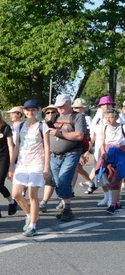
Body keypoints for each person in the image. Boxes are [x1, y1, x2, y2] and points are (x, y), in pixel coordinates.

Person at [9, 99, 51, 237]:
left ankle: (33, 225)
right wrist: (11, 165)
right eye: (27, 110)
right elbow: (16, 146)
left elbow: (47, 147)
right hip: (22, 163)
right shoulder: (20, 127)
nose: (30, 112)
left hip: (36, 163)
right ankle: (29, 214)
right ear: (24, 112)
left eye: (33, 110)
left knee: (32, 194)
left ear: (37, 111)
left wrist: (46, 168)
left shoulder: (42, 126)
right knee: (15, 194)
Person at [48, 94, 86, 222]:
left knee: (64, 180)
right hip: (54, 154)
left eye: (62, 105)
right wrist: (49, 119)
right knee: (57, 182)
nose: (59, 108)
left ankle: (67, 208)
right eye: (58, 106)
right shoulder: (56, 116)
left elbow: (79, 135)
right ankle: (65, 206)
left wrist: (60, 133)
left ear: (69, 103)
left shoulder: (78, 117)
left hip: (71, 153)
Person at [95, 108, 125, 214]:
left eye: (111, 117)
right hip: (108, 154)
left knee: (116, 179)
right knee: (108, 176)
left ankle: (113, 204)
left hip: (120, 154)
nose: (108, 120)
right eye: (106, 117)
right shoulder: (105, 127)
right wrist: (103, 151)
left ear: (116, 117)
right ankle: (117, 202)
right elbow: (103, 141)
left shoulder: (122, 127)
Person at [89, 96, 116, 205]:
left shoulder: (116, 117)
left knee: (110, 173)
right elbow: (93, 134)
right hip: (98, 149)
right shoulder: (97, 118)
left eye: (108, 104)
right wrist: (88, 149)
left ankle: (112, 198)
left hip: (111, 148)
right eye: (103, 105)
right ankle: (106, 196)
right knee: (100, 173)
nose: (105, 106)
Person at [71, 98, 96, 193]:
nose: (76, 109)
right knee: (77, 168)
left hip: (82, 145)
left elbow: (89, 136)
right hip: (72, 144)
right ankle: (90, 182)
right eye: (75, 108)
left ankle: (71, 189)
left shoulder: (87, 119)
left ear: (83, 108)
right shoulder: (71, 117)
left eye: (79, 108)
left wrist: (87, 151)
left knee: (76, 168)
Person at [39, 104, 59, 212]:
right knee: (47, 180)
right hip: (43, 155)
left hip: (59, 155)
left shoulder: (61, 124)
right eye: (48, 112)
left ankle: (45, 202)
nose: (50, 114)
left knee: (55, 180)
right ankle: (43, 202)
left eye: (53, 112)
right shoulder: (41, 125)